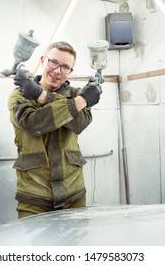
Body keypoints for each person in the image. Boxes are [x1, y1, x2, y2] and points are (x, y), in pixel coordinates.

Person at [8, 41, 102, 218]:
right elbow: (33, 124)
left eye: (65, 67)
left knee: (75, 245)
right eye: (53, 63)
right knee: (37, 246)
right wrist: (80, 103)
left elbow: (79, 124)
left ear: (70, 72)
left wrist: (43, 96)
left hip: (73, 193)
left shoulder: (76, 94)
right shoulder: (20, 94)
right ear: (43, 60)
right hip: (35, 197)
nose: (58, 71)